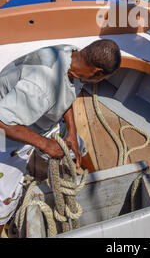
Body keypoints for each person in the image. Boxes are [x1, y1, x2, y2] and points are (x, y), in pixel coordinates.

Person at [0, 39, 121, 233]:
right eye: (102, 79)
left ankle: (99, 181)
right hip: (8, 132)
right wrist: (45, 144)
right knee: (3, 200)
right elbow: (3, 120)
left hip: (41, 119)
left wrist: (71, 131)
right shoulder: (41, 86)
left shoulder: (73, 57)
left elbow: (67, 91)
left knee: (76, 146)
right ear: (97, 73)